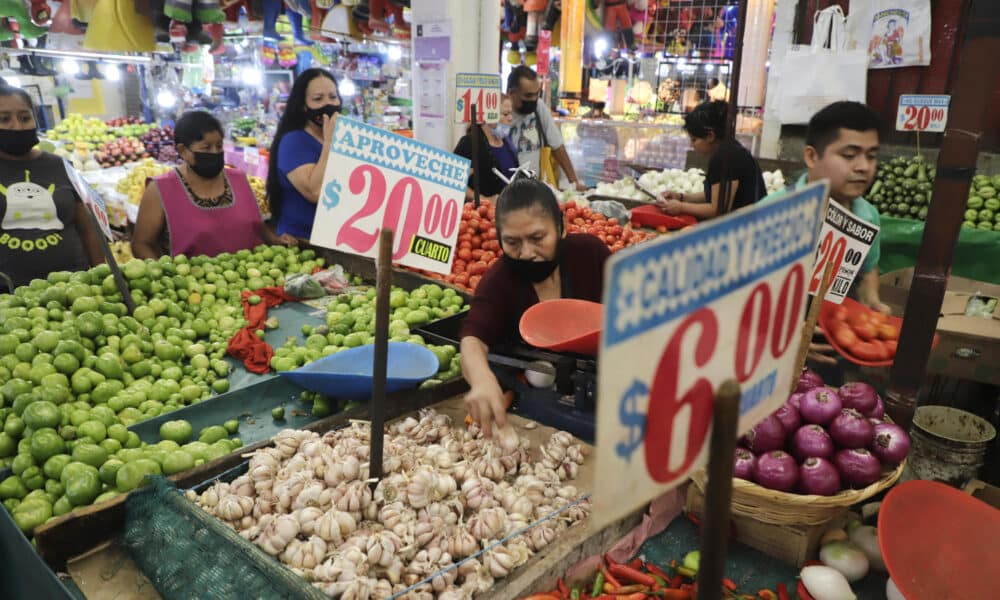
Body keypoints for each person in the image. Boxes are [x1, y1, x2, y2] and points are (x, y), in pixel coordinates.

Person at [460, 178, 611, 436]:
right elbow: (473, 339)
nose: (527, 252)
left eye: (537, 238)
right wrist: (481, 380)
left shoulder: (591, 255)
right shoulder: (499, 281)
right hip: (532, 398)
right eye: (512, 243)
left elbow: (630, 307)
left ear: (561, 227)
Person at [761, 101, 888, 367]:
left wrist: (871, 301)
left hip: (831, 350)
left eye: (871, 155)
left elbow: (867, 270)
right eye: (849, 155)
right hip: (767, 357)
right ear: (811, 157)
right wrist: (778, 338)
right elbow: (734, 300)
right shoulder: (769, 215)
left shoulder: (867, 216)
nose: (863, 166)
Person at [131, 111, 296, 259]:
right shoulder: (161, 189)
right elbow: (141, 244)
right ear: (183, 151)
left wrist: (275, 240)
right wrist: (161, 274)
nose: (215, 153)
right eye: (206, 147)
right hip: (194, 287)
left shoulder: (238, 179)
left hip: (250, 282)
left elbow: (256, 226)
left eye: (219, 146)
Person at [0, 84, 104, 291]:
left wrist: (102, 276)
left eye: (25, 117)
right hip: (10, 295)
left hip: (77, 289)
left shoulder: (61, 166)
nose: (18, 127)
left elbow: (88, 229)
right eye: (4, 119)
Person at [656, 100, 765, 219]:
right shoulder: (730, 150)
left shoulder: (724, 157)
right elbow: (717, 195)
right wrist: (682, 197)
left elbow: (718, 209)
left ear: (710, 136)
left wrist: (681, 207)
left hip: (746, 226)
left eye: (694, 140)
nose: (692, 146)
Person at [267, 68, 341, 240]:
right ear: (302, 105)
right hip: (303, 243)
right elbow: (315, 192)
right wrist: (330, 143)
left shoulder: (344, 138)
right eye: (318, 99)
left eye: (333, 97)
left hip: (336, 240)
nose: (327, 104)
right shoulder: (293, 142)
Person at [506, 66, 586, 192]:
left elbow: (557, 146)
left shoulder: (538, 107)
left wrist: (574, 181)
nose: (533, 99)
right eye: (528, 95)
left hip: (536, 187)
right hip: (507, 189)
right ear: (511, 94)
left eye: (537, 94)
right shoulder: (500, 115)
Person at [452, 95, 519, 203]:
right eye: (505, 114)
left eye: (511, 113)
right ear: (487, 117)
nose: (510, 118)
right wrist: (484, 199)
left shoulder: (507, 141)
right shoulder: (470, 143)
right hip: (481, 215)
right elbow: (454, 181)